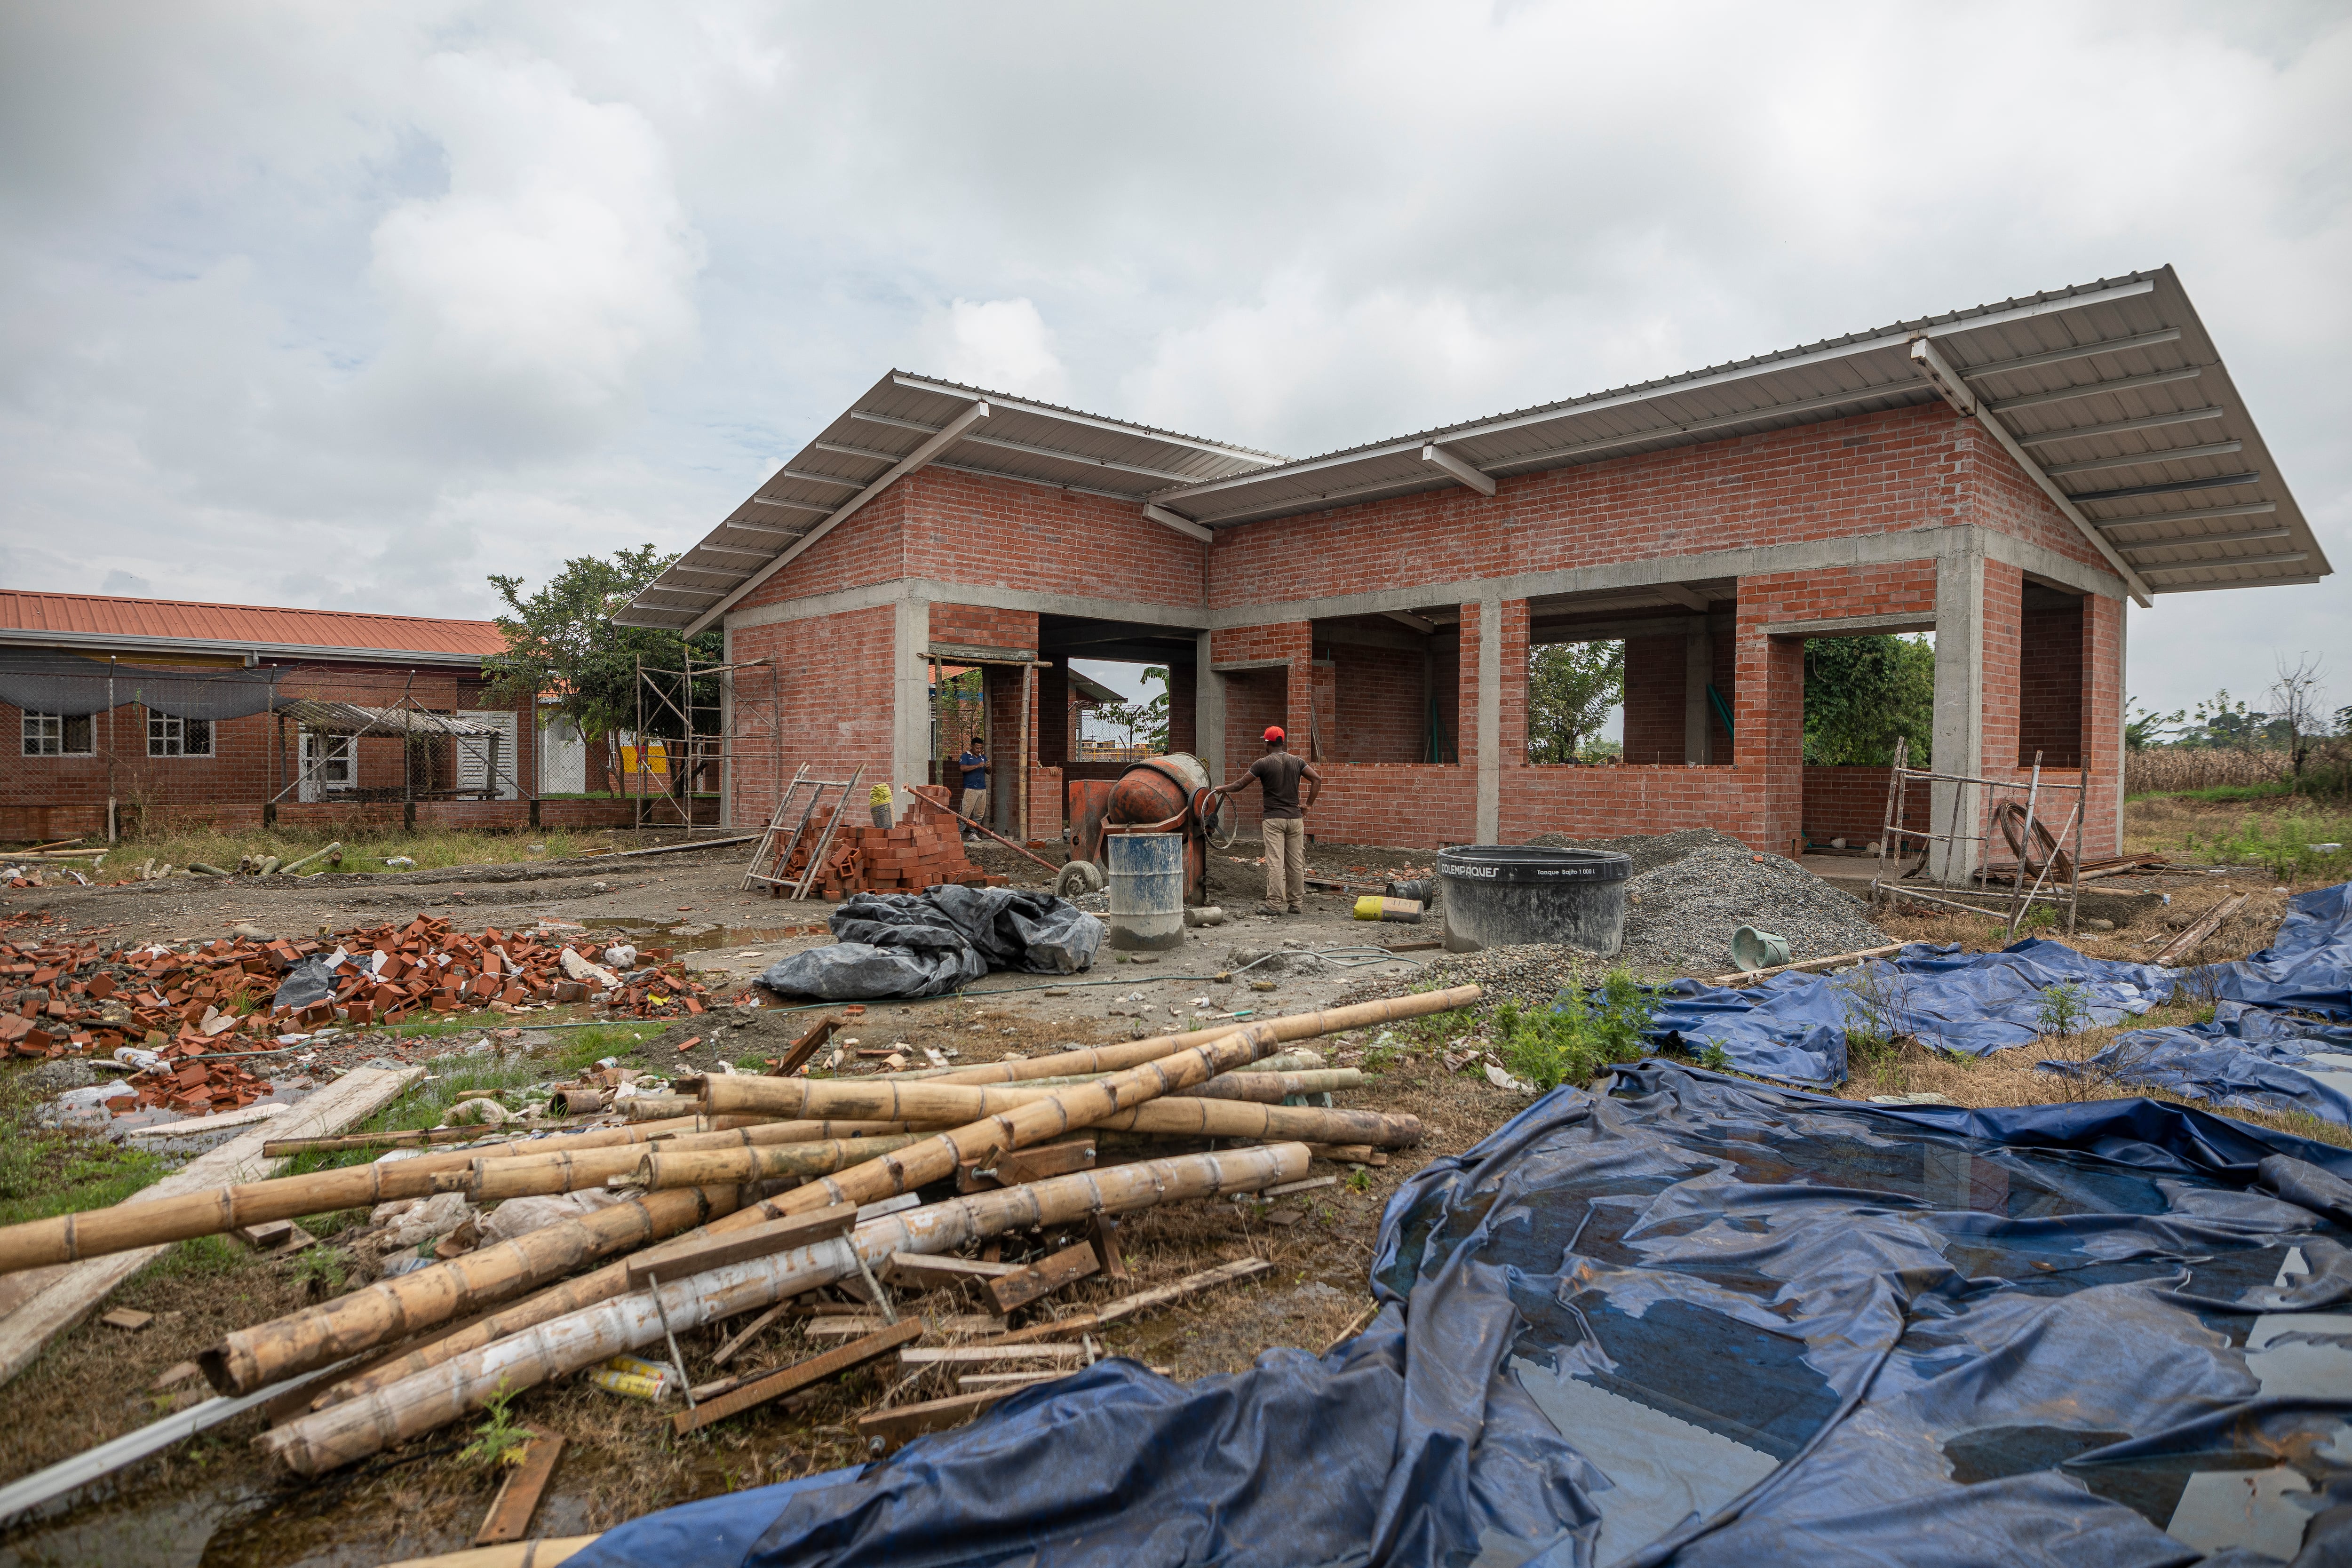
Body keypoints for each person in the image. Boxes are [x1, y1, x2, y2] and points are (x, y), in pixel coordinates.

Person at [1218, 726, 1322, 916]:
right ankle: (1296, 904)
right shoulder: (1297, 762)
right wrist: (1308, 805)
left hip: (1274, 820)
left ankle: (1274, 906)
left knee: (1275, 863)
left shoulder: (1262, 764)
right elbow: (1317, 779)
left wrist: (1222, 788)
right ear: (1282, 742)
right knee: (1295, 862)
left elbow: (1241, 784)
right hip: (1295, 820)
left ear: (1267, 743)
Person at [955, 734, 990, 840]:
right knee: (965, 812)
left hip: (982, 789)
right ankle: (959, 833)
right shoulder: (966, 756)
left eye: (981, 748)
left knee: (979, 813)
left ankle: (973, 833)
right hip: (970, 789)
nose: (979, 750)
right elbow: (962, 768)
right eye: (977, 748)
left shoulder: (983, 757)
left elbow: (988, 772)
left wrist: (989, 767)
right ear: (972, 747)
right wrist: (977, 766)